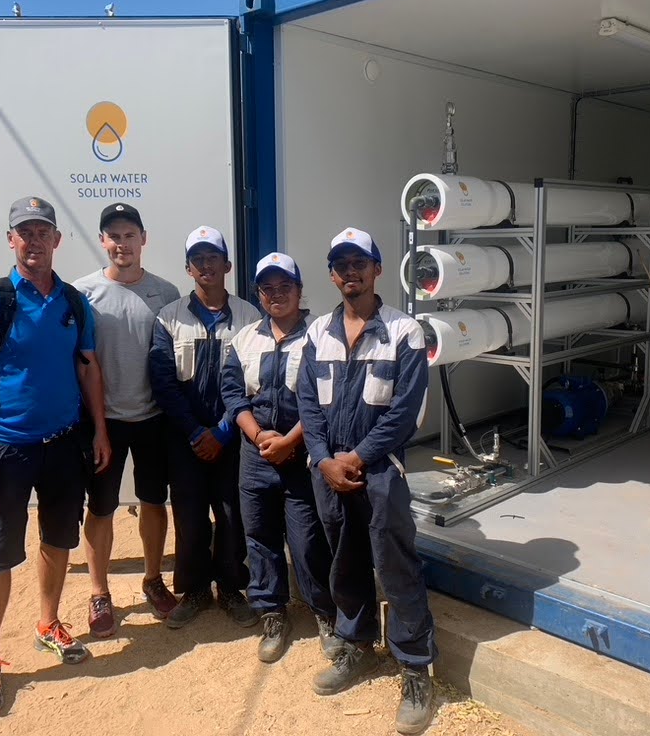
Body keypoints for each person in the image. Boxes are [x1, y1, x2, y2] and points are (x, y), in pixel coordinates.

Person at [0, 196, 111, 716]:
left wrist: (100, 431)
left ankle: (48, 623)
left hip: (63, 444)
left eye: (43, 232)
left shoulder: (74, 303)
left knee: (58, 540)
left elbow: (88, 369)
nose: (35, 241)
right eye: (25, 232)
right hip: (5, 449)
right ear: (11, 239)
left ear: (57, 240)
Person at [297, 228, 436, 735]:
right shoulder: (318, 332)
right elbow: (307, 404)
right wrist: (323, 460)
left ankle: (415, 669)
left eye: (360, 262)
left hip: (379, 471)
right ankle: (356, 645)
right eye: (341, 265)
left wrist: (356, 457)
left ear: (377, 269)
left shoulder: (404, 331)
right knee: (344, 559)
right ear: (332, 275)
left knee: (395, 564)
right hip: (330, 472)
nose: (350, 272)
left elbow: (404, 412)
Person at [221, 252, 341, 663]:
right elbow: (233, 394)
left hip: (302, 455)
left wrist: (290, 441)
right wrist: (258, 436)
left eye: (284, 286)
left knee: (307, 540)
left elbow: (327, 399)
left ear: (299, 289)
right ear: (258, 294)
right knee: (260, 537)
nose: (276, 294)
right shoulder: (245, 338)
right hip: (256, 456)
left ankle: (324, 612)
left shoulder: (321, 335)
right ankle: (272, 613)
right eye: (267, 288)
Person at [73, 203, 182, 637]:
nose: (122, 244)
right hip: (104, 421)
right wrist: (95, 425)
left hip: (154, 418)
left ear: (143, 239)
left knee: (154, 502)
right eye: (114, 236)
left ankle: (153, 579)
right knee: (100, 508)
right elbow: (78, 360)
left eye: (129, 235)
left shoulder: (166, 292)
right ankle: (99, 592)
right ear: (103, 241)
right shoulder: (83, 294)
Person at [149, 226, 260, 629]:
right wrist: (196, 433)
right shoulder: (169, 317)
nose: (205, 265)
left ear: (227, 265)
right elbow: (162, 382)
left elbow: (256, 382)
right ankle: (195, 589)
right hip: (185, 438)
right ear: (188, 268)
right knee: (189, 514)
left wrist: (225, 431)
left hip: (233, 436)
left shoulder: (250, 317)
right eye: (197, 259)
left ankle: (231, 588)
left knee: (232, 514)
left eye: (213, 257)